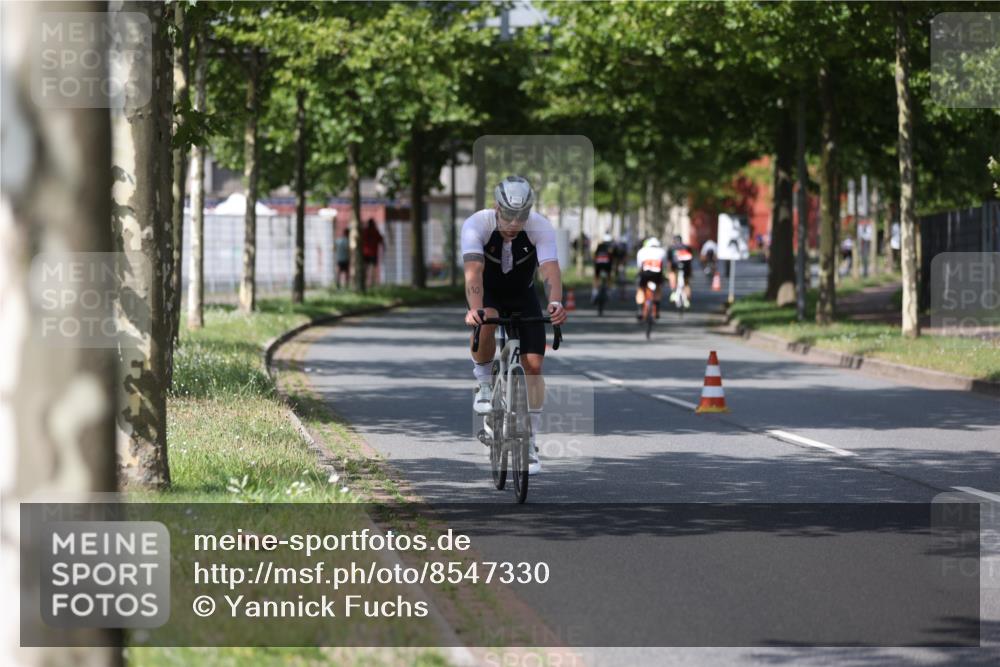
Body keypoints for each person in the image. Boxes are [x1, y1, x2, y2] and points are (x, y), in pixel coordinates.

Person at [463, 176, 567, 475]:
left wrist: (556, 302)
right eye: (508, 216)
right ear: (497, 207)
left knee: (534, 366)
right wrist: (475, 309)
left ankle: (530, 441)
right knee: (486, 318)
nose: (514, 223)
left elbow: (550, 269)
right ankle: (485, 383)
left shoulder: (539, 226)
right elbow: (474, 272)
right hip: (488, 293)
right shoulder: (477, 224)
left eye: (520, 217)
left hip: (523, 295)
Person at [635, 237, 667, 319]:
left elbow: (639, 266)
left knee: (641, 289)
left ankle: (640, 310)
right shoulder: (662, 251)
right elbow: (664, 265)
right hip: (657, 274)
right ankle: (657, 309)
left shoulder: (642, 251)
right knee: (658, 288)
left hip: (645, 273)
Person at [667, 234, 694, 307]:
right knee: (687, 283)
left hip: (675, 266)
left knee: (672, 275)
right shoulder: (687, 247)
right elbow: (690, 258)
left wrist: (669, 271)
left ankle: (673, 292)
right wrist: (690, 271)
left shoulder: (671, 247)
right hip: (686, 267)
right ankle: (687, 301)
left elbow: (669, 261)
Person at [592, 233, 615, 302]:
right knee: (609, 277)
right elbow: (612, 258)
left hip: (598, 264)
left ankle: (594, 293)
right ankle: (609, 293)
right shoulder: (610, 247)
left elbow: (595, 255)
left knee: (596, 277)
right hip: (607, 265)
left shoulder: (599, 246)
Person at [361, 218, 384, 287]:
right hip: (373, 253)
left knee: (365, 268)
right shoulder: (375, 231)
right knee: (373, 268)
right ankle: (371, 283)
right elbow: (381, 241)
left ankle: (365, 282)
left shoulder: (365, 231)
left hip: (365, 252)